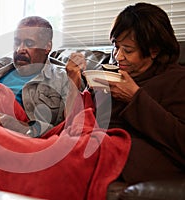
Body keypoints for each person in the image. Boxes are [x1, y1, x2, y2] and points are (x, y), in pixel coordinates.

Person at [67, 2, 185, 184]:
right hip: (85, 146)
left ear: (154, 50)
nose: (118, 56)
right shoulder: (109, 73)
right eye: (116, 46)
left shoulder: (177, 81)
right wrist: (73, 84)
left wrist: (134, 97)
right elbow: (74, 125)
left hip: (119, 158)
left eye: (128, 50)